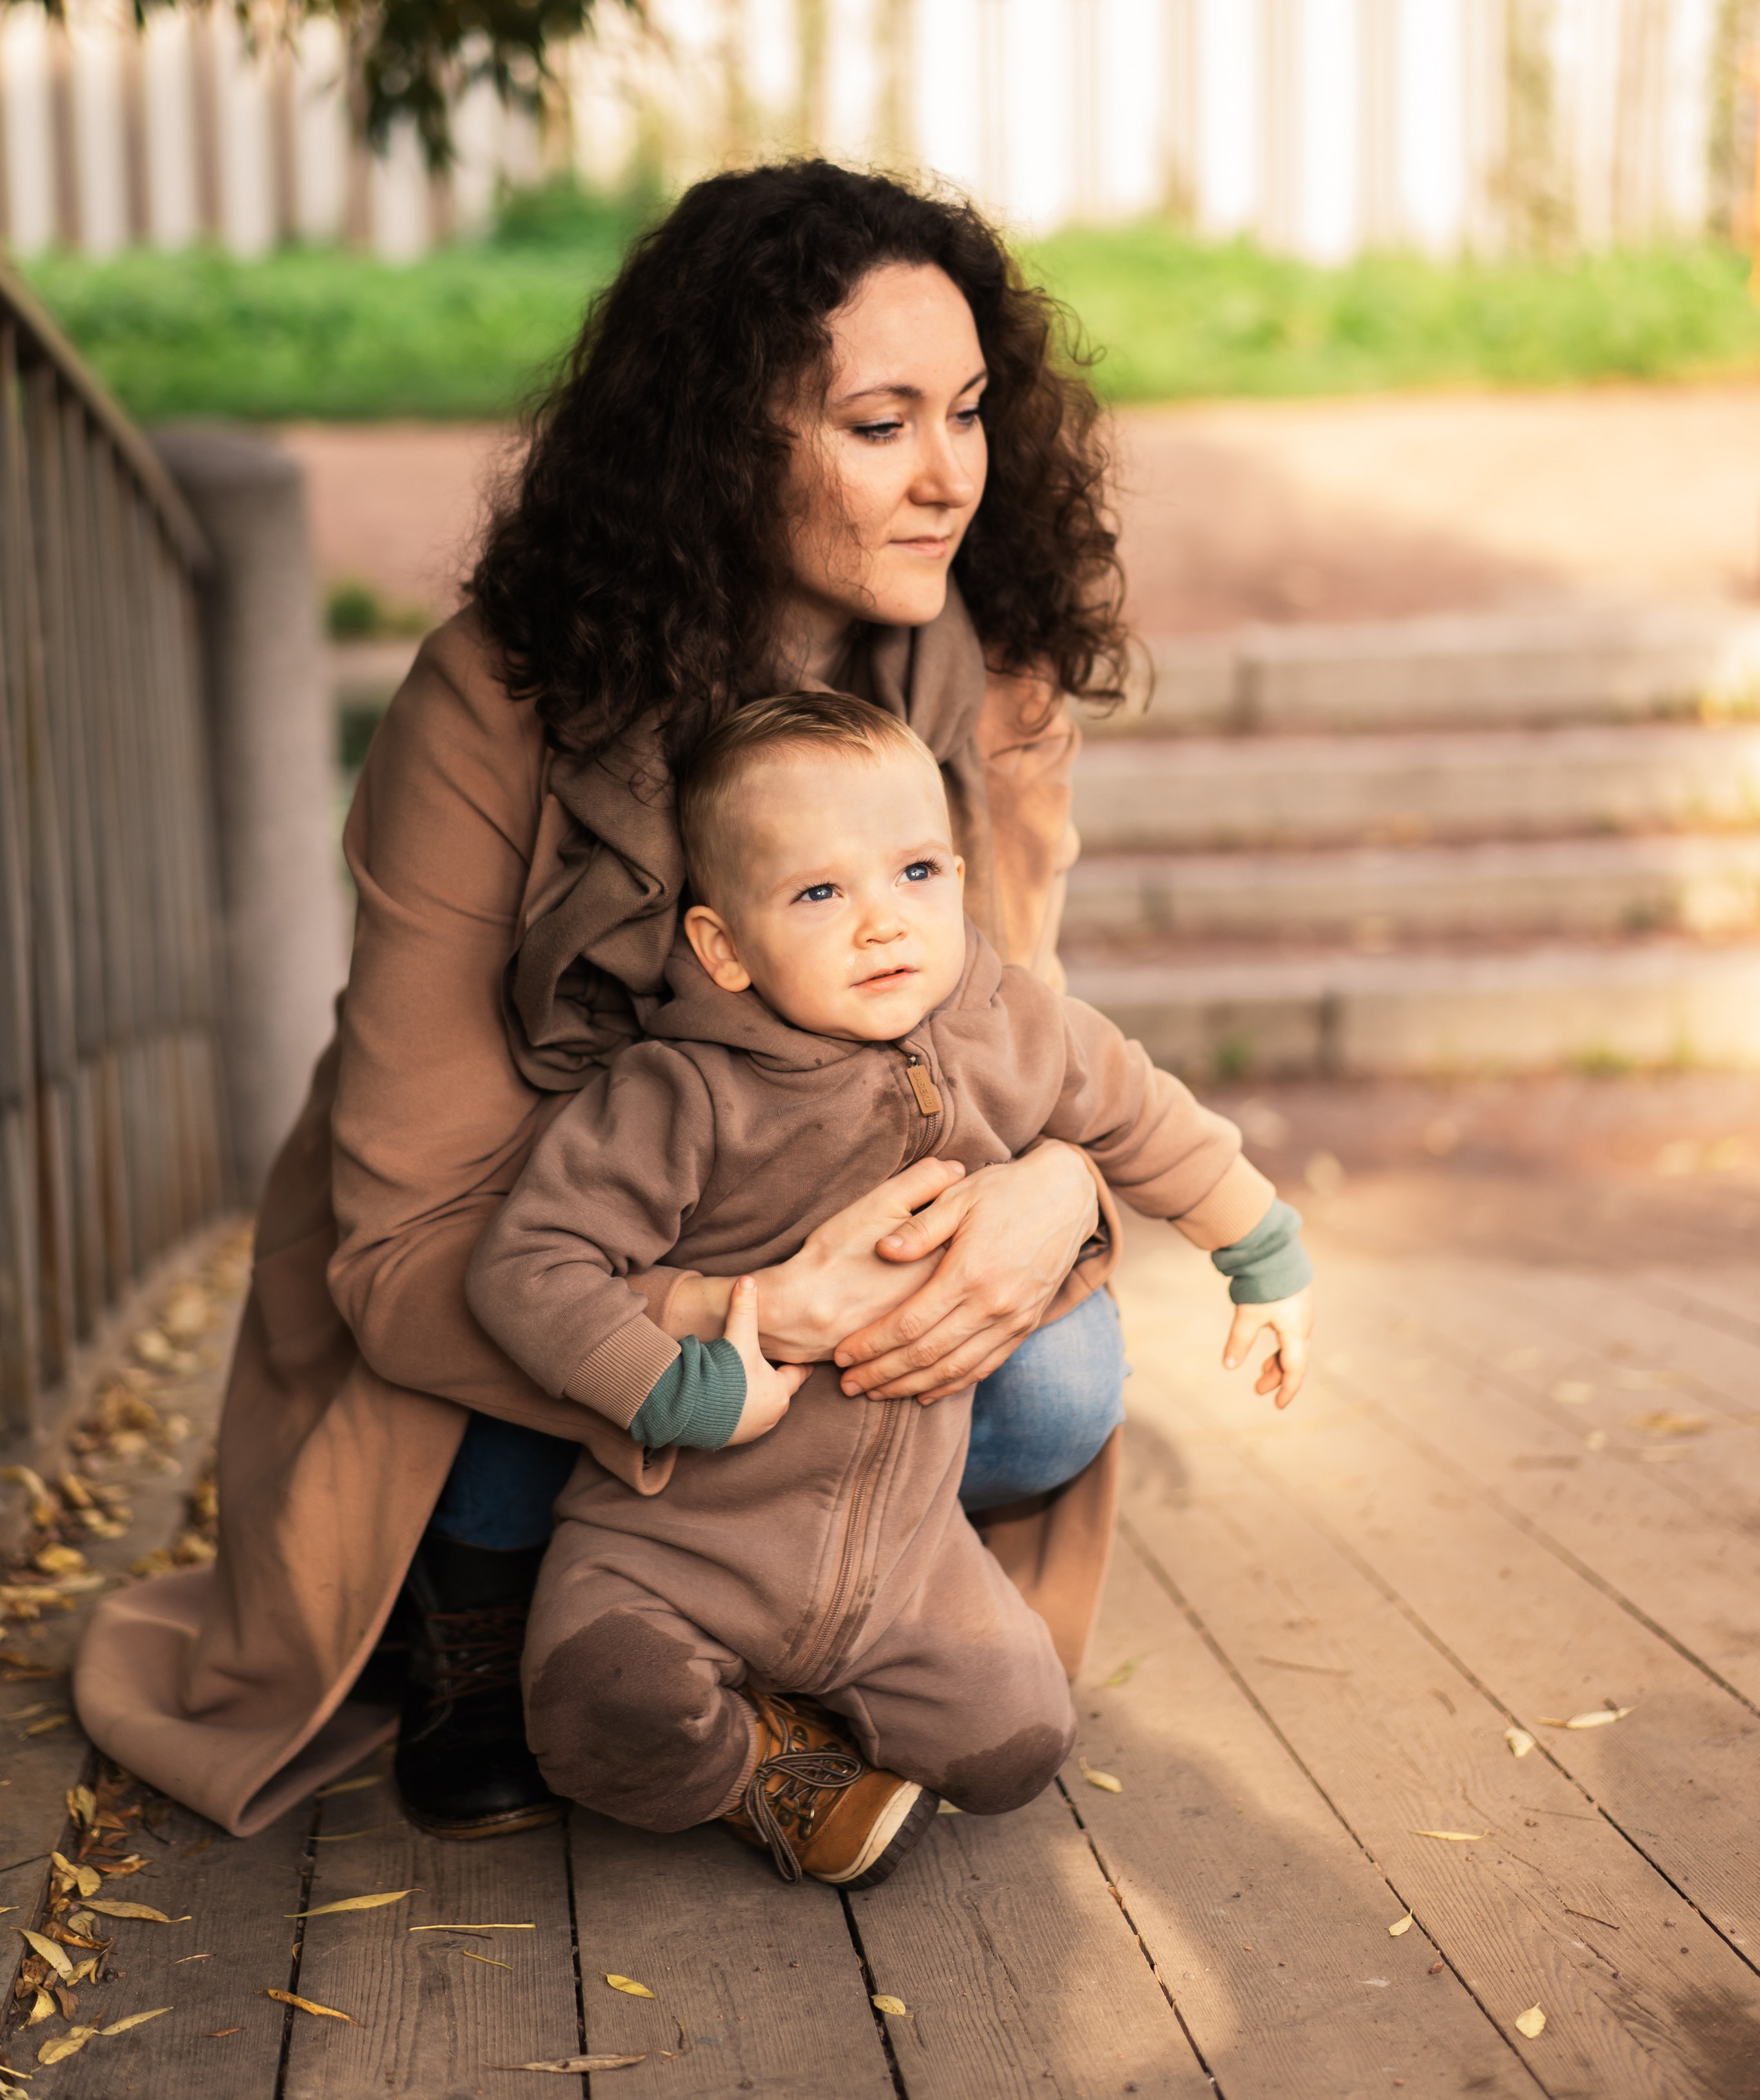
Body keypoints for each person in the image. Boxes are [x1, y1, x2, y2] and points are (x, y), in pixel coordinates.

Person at [74, 160, 1308, 1841]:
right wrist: (749, 1320)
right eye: (879, 425)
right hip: (543, 1259)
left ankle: (771, 1624)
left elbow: (1022, 1048)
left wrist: (1061, 1198)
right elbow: (413, 1238)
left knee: (1051, 1391)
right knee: (509, 1397)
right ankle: (481, 1618)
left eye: (966, 411)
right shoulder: (494, 701)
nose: (948, 473)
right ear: (729, 442)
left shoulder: (984, 675)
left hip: (833, 1250)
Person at [467, 692, 1314, 1888]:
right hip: (681, 1545)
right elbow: (529, 1267)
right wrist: (675, 1389)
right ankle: (750, 1761)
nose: (884, 925)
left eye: (916, 873)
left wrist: (1263, 1254)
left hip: (908, 1559)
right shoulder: (684, 1092)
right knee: (600, 1698)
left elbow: (1145, 1116)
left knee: (1019, 1744)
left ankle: (813, 1704)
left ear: (959, 876)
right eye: (821, 894)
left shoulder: (1012, 1027)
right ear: (724, 947)